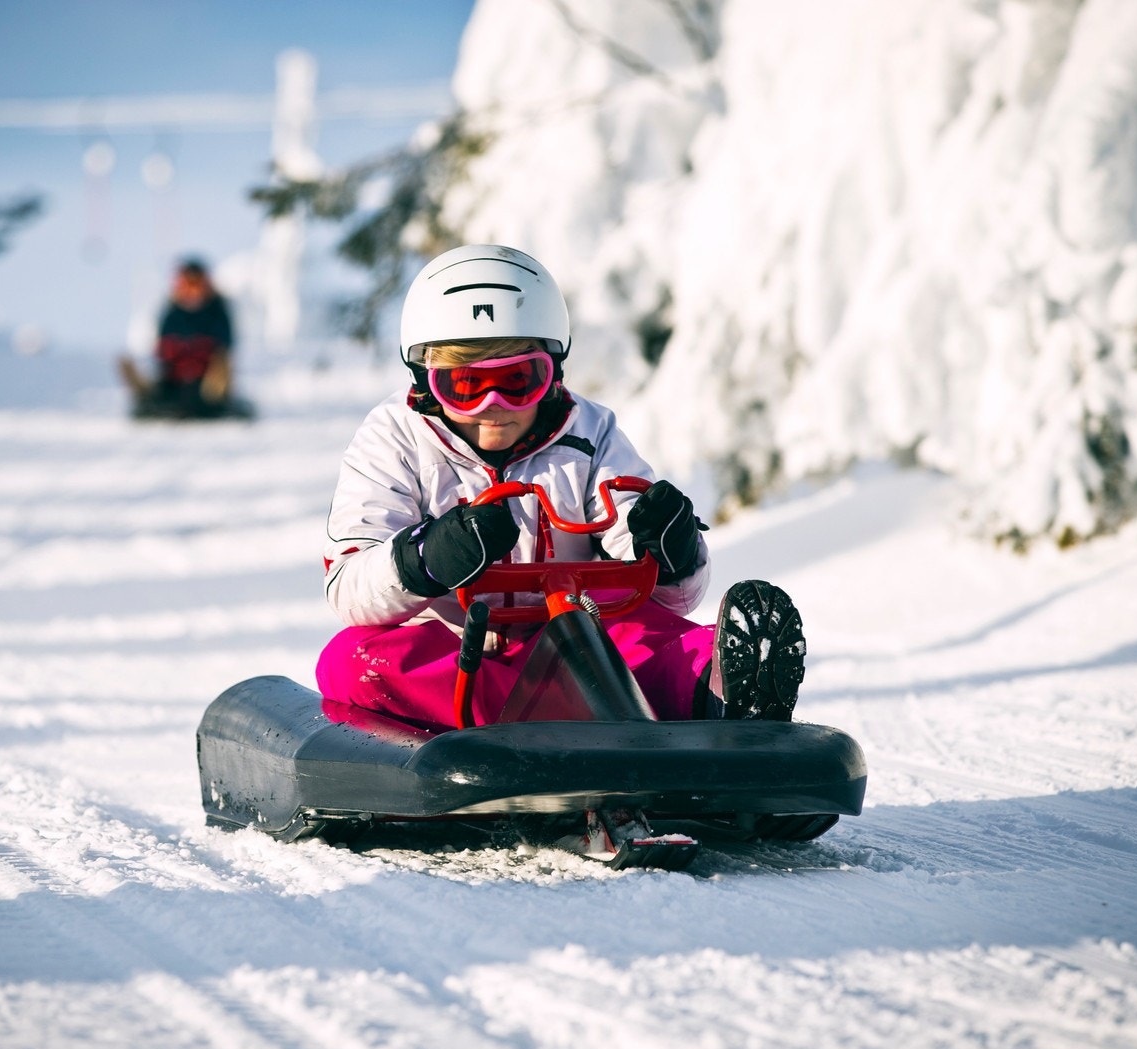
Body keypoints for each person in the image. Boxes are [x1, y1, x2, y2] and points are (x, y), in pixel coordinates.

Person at [316, 244, 807, 729]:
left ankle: (720, 688)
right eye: (465, 386)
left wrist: (668, 554)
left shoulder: (589, 434)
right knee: (352, 660)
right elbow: (349, 589)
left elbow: (671, 598)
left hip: (573, 641)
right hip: (458, 653)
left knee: (652, 636)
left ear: (552, 373)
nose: (494, 404)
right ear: (426, 381)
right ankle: (574, 717)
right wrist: (425, 559)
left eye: (518, 381)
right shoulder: (395, 439)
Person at [119, 258, 246, 420]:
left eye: (197, 285)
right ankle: (145, 392)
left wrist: (199, 351)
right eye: (188, 285)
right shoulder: (172, 313)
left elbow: (224, 347)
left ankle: (215, 397)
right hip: (175, 380)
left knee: (214, 386)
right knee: (156, 390)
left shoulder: (217, 312)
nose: (192, 291)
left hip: (206, 381)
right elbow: (162, 348)